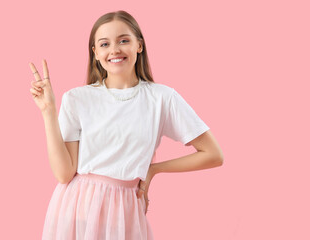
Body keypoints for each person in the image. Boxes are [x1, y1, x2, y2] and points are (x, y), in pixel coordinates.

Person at [29, 10, 224, 240]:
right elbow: (64, 174)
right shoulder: (77, 99)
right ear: (95, 53)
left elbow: (213, 154)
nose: (114, 50)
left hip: (126, 211)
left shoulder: (162, 98)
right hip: (77, 209)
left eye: (124, 40)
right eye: (104, 44)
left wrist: (153, 169)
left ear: (139, 45)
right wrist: (48, 112)